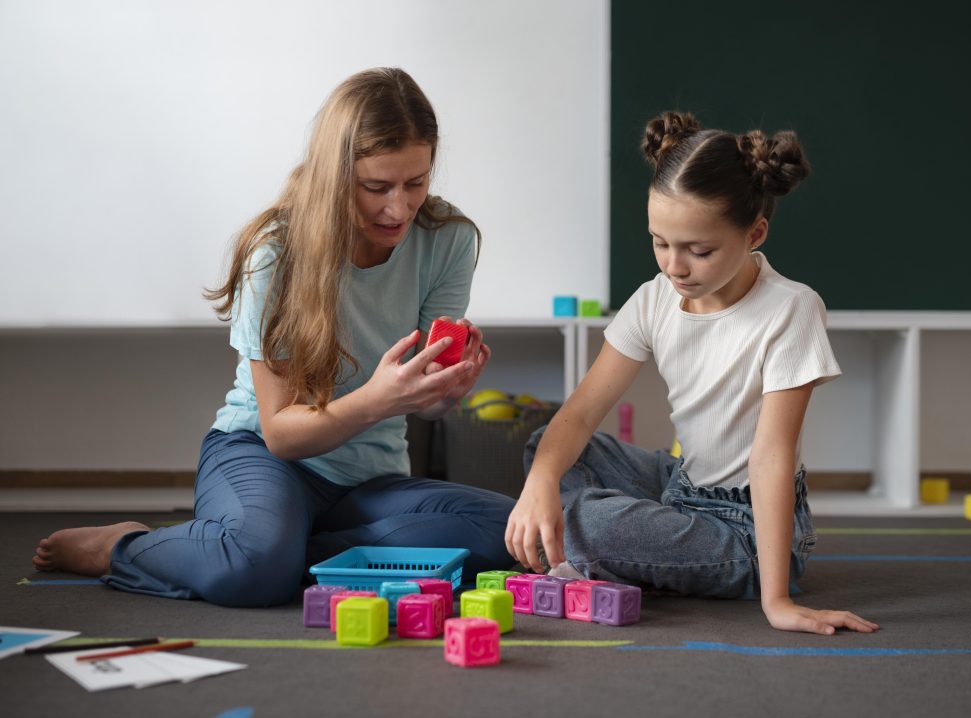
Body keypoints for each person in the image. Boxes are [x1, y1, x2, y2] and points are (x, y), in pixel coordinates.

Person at [32, 67, 515, 607]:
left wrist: (442, 393)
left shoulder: (448, 240)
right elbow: (283, 434)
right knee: (259, 566)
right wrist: (381, 399)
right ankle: (125, 547)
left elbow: (420, 405)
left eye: (416, 183)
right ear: (336, 175)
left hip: (367, 480)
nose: (399, 208)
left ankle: (269, 550)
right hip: (263, 456)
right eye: (376, 187)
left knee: (512, 532)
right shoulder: (275, 253)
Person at [505, 111, 879, 636]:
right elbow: (583, 410)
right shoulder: (655, 299)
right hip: (682, 488)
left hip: (747, 532)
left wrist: (776, 602)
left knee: (584, 521)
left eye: (698, 251)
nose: (674, 267)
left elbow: (771, 455)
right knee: (548, 445)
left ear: (755, 232)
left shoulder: (791, 309)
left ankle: (600, 538)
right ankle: (613, 538)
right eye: (660, 242)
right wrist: (541, 480)